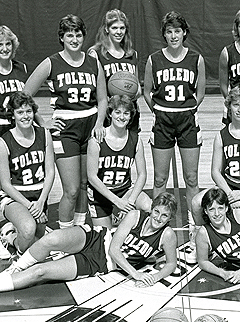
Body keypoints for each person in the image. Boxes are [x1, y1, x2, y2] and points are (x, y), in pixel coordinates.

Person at [23, 14, 107, 229]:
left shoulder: (92, 62)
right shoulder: (52, 62)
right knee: (70, 189)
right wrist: (42, 123)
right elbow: (25, 96)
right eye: (70, 35)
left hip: (89, 126)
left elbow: (102, 98)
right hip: (65, 129)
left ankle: (79, 229)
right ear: (62, 37)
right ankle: (64, 235)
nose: (74, 39)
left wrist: (99, 124)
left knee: (84, 184)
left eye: (78, 34)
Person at [0, 192, 178, 291]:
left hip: (99, 263)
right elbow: (114, 250)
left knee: (40, 271)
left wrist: (155, 277)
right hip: (97, 238)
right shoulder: (135, 216)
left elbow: (171, 264)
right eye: (156, 212)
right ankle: (16, 268)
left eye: (164, 216)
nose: (158, 218)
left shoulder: (167, 235)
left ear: (170, 219)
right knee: (51, 239)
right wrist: (136, 274)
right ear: (152, 209)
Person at [143, 11, 206, 229]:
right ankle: (156, 224)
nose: (173, 36)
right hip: (162, 121)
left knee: (191, 178)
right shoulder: (154, 59)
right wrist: (160, 111)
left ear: (184, 32)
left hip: (188, 120)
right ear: (164, 35)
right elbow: (147, 90)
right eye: (169, 32)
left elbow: (201, 91)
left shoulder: (196, 59)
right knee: (160, 179)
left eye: (177, 31)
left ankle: (195, 226)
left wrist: (186, 110)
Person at [192, 86, 240, 232]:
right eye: (236, 105)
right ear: (229, 107)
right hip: (230, 189)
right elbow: (215, 172)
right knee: (197, 202)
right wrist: (231, 194)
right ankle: (197, 238)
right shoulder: (221, 136)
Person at [0, 92, 55, 254]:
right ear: (13, 115)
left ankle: (11, 231)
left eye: (29, 111)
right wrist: (30, 207)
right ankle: (13, 244)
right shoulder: (4, 142)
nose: (25, 116)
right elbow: (5, 184)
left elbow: (50, 172)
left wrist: (41, 202)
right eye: (20, 112)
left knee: (38, 241)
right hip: (14, 197)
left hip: (39, 197)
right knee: (29, 230)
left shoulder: (44, 135)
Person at [87, 94, 151, 228]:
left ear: (130, 116)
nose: (121, 117)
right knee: (104, 240)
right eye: (117, 112)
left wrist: (130, 202)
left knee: (148, 207)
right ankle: (112, 219)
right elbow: (92, 177)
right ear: (110, 113)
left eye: (126, 113)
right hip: (100, 194)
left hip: (124, 190)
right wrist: (117, 202)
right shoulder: (97, 140)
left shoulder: (136, 140)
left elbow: (142, 175)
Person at [88, 9, 141, 132]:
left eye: (122, 28)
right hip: (108, 113)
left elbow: (137, 87)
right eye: (114, 28)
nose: (119, 32)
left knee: (130, 149)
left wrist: (135, 91)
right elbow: (92, 88)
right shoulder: (95, 53)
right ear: (106, 29)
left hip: (129, 112)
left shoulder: (132, 54)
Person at [0, 25, 28, 136]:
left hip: (19, 125)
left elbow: (28, 101)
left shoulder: (21, 68)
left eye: (8, 44)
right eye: (0, 45)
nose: (5, 49)